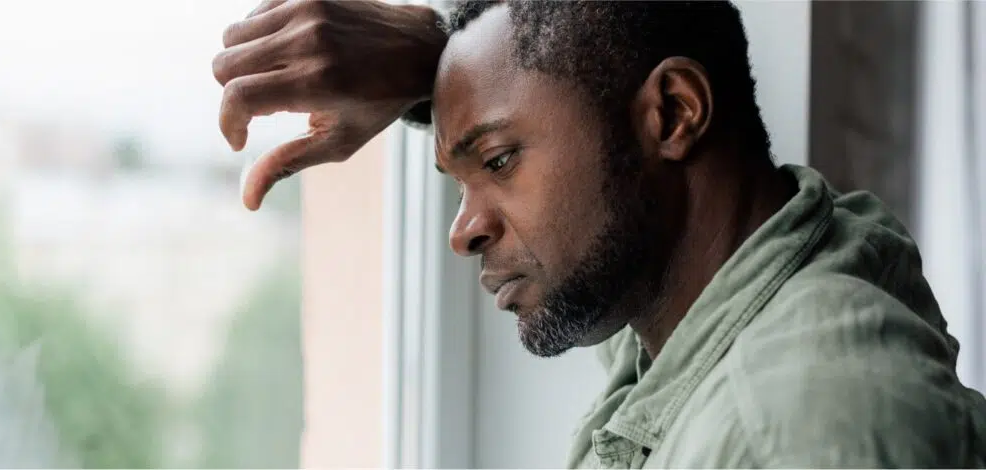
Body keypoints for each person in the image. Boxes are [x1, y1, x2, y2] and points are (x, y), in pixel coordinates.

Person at [212, 0, 986, 467]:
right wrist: (437, 55)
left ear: (673, 114)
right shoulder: (711, 296)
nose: (463, 230)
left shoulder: (800, 425)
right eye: (459, 180)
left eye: (499, 160)